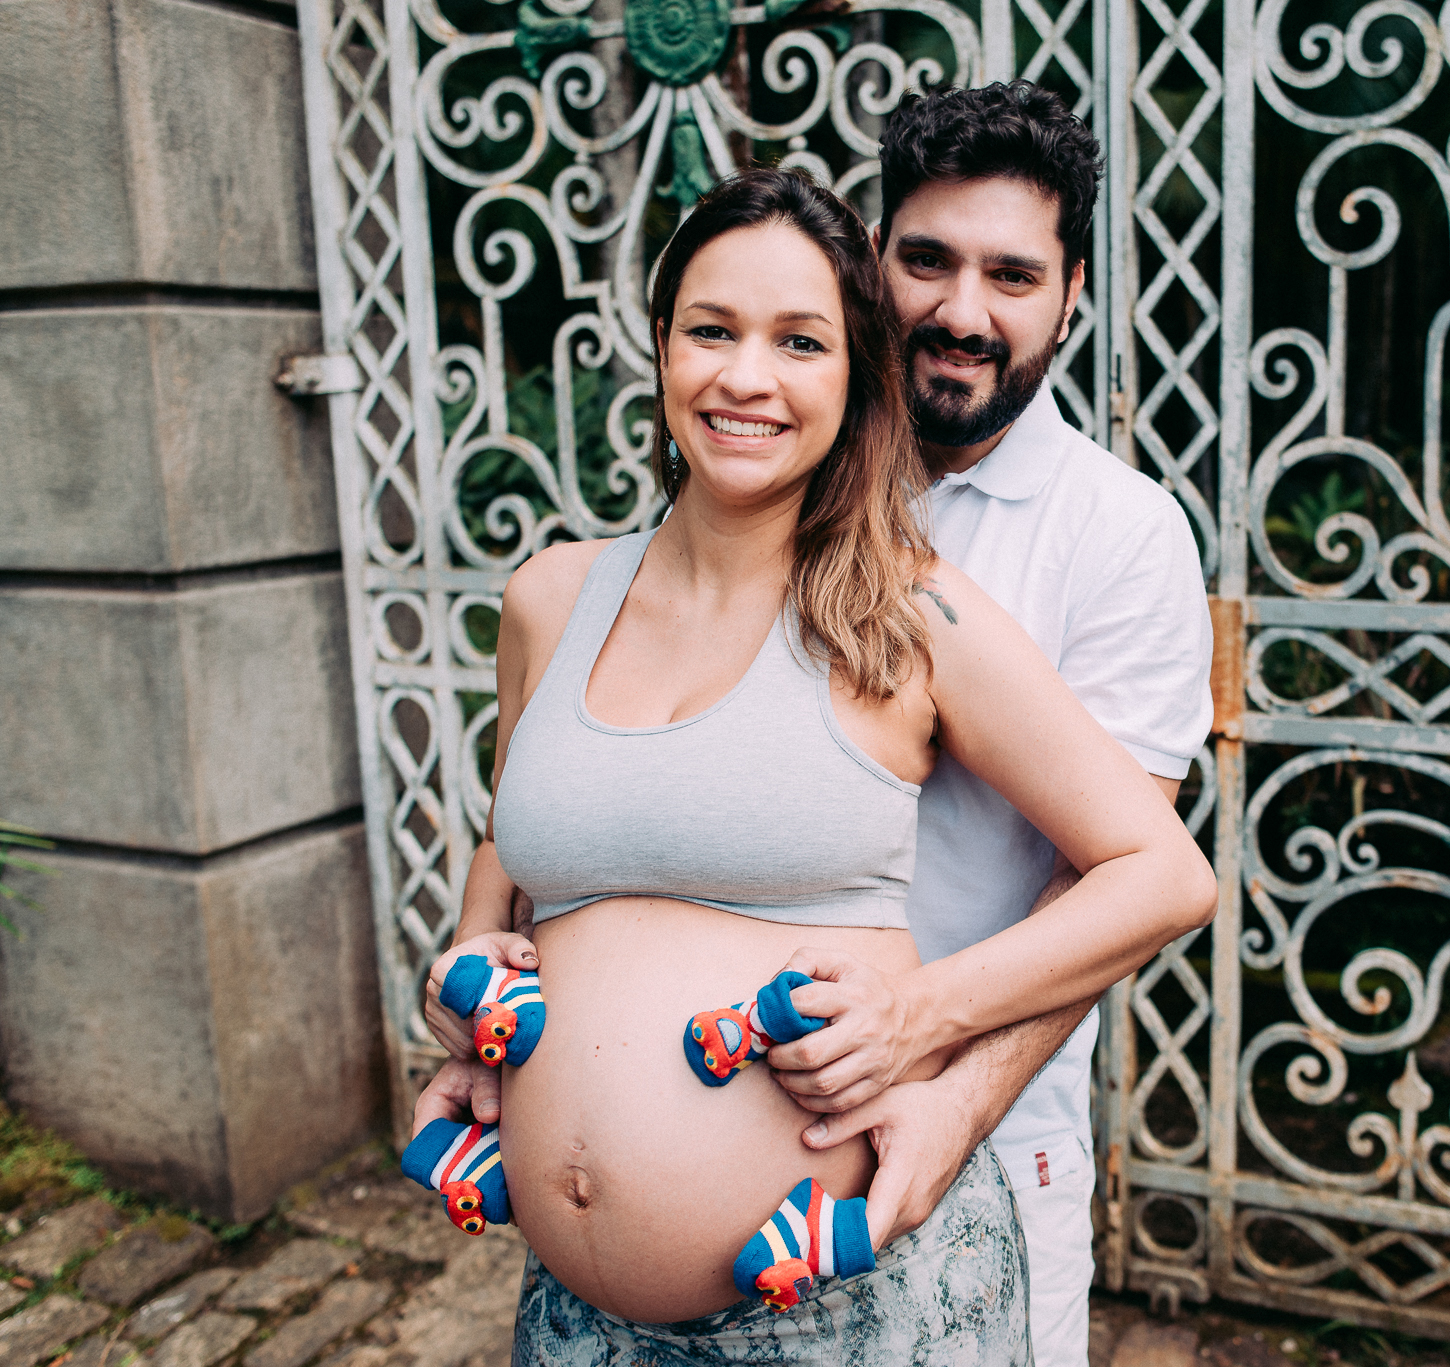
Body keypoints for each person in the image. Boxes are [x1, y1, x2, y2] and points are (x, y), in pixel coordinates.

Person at [413, 167, 1216, 1363]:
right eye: (710, 330)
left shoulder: (904, 613)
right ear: (660, 345)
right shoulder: (548, 595)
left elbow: (1161, 874)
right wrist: (468, 991)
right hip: (579, 1318)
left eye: (799, 340)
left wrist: (916, 1014)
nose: (745, 376)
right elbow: (510, 832)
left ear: (855, 378)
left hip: (849, 1302)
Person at [773, 84, 1215, 1367]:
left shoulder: (1120, 535)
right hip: (739, 1107)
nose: (962, 311)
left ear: (1070, 295)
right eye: (926, 259)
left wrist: (943, 1084)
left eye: (1010, 274)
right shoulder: (772, 468)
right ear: (870, 263)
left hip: (985, 1126)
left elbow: (1114, 888)